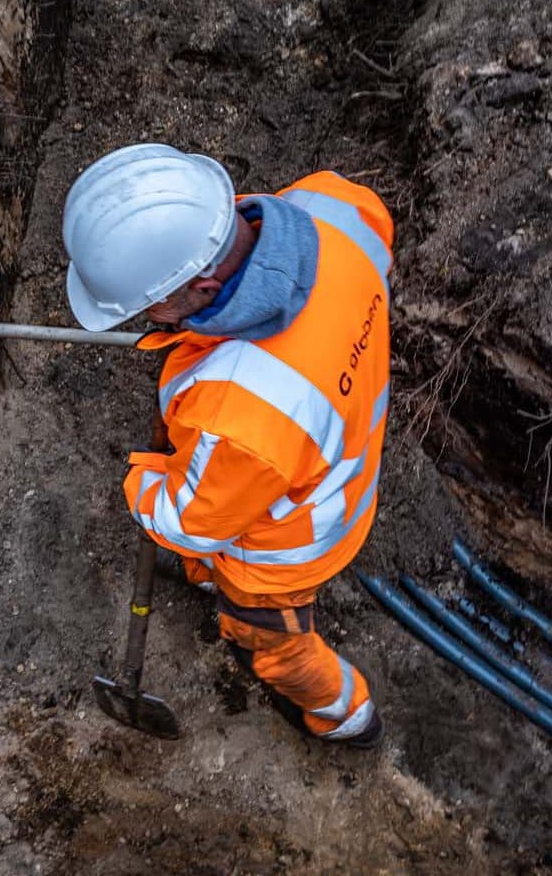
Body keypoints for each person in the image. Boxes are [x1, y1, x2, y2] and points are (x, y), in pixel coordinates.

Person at [62, 143, 393, 748]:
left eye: (147, 307)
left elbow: (192, 519)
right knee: (230, 497)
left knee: (271, 646)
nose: (143, 319)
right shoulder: (333, 207)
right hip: (331, 445)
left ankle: (345, 717)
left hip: (288, 545)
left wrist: (142, 483)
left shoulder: (242, 413)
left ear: (204, 282)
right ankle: (210, 579)